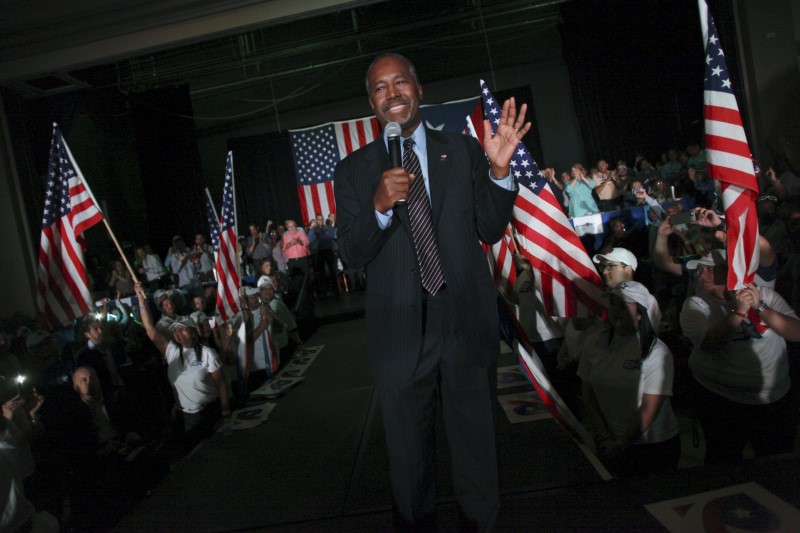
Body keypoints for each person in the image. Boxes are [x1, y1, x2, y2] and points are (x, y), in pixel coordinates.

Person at [334, 52, 528, 530]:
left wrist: (500, 173)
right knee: (409, 467)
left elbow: (489, 226)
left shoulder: (461, 151)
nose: (392, 93)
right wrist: (378, 207)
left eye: (400, 82)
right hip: (399, 333)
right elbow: (352, 253)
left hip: (465, 319)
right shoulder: (354, 171)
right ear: (371, 102)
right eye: (380, 88)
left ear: (418, 90)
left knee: (477, 455)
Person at [679, 249, 800, 464]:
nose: (701, 275)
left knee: (777, 460)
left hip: (774, 401)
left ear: (732, 271)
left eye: (709, 269)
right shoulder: (696, 305)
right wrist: (738, 313)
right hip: (722, 401)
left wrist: (758, 307)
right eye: (699, 270)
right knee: (723, 460)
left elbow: (796, 333)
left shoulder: (765, 295)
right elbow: (710, 345)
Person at [578, 281, 680, 478]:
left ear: (640, 313)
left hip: (653, 445)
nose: (615, 310)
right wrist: (605, 437)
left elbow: (649, 408)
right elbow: (588, 393)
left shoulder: (656, 351)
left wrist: (621, 444)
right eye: (613, 303)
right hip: (611, 441)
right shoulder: (594, 342)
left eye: (623, 305)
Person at [133, 283, 231, 449]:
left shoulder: (207, 353)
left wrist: (226, 412)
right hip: (187, 416)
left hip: (209, 411)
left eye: (182, 329)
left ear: (193, 332)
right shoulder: (171, 351)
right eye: (175, 330)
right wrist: (140, 299)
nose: (178, 333)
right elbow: (150, 328)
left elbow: (221, 384)